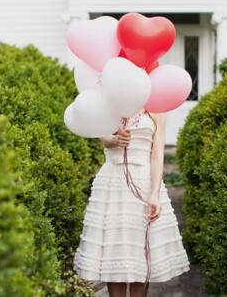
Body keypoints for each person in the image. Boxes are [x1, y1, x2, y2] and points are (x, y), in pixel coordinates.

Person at [74, 109, 190, 297]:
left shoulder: (157, 109)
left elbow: (157, 154)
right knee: (114, 251)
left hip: (144, 182)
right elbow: (103, 137)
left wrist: (154, 194)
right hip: (113, 181)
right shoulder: (111, 101)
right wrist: (114, 140)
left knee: (141, 254)